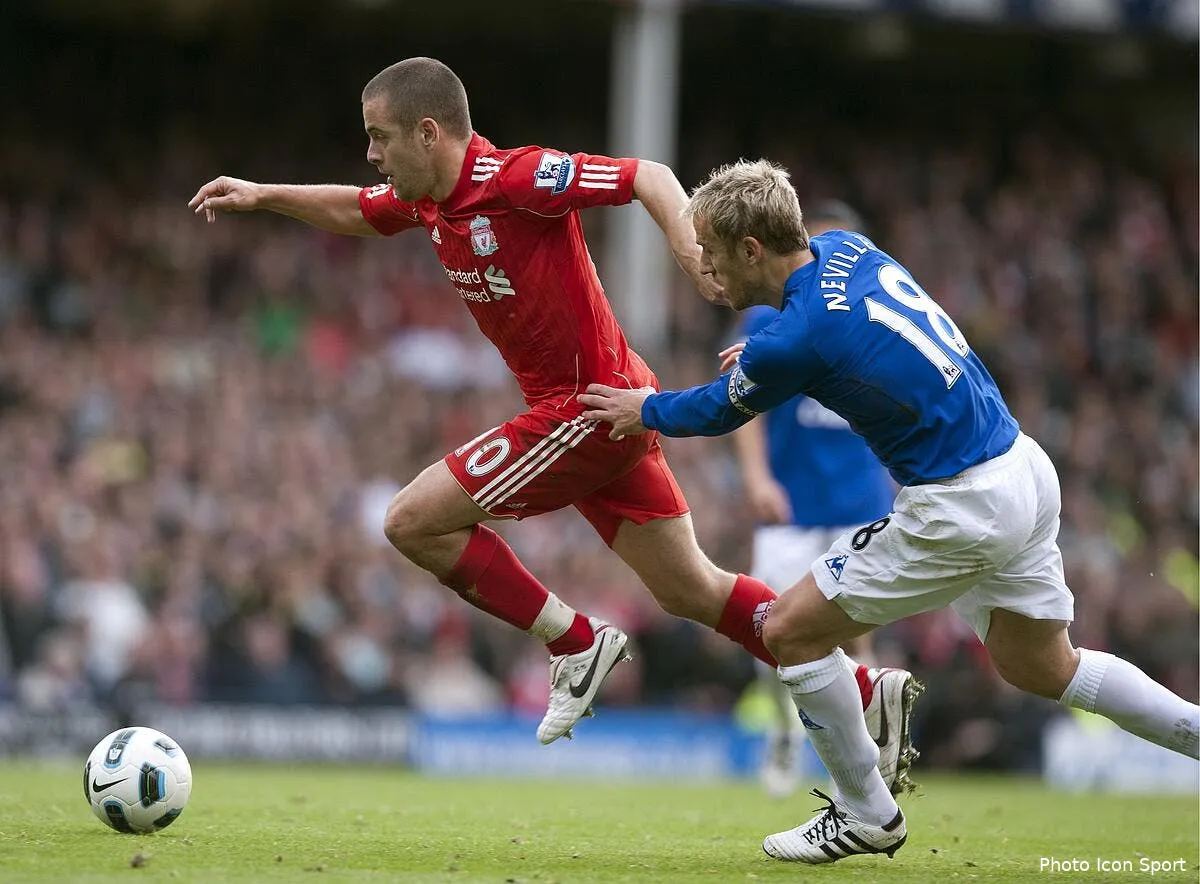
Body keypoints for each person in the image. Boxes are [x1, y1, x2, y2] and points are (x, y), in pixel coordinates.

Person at [186, 58, 917, 765]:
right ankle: (865, 685)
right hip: (609, 408)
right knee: (692, 588)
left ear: (429, 132)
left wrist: (691, 252)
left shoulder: (516, 177)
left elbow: (647, 176)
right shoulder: (427, 200)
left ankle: (573, 642)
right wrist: (261, 194)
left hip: (587, 410)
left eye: (380, 136)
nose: (371, 153)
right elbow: (355, 208)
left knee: (411, 522)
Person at [578, 159, 1200, 864]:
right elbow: (840, 330)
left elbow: (721, 408)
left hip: (961, 503)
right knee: (1042, 666)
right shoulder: (848, 249)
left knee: (789, 630)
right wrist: (767, 348)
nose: (710, 272)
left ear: (752, 249)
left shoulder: (796, 338)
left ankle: (867, 812)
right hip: (1020, 467)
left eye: (716, 256)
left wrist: (644, 409)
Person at [731, 202, 918, 800]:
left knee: (858, 627)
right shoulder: (773, 316)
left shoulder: (872, 315)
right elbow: (742, 403)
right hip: (792, 501)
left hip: (859, 496)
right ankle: (785, 730)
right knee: (771, 627)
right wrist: (758, 478)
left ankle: (867, 755)